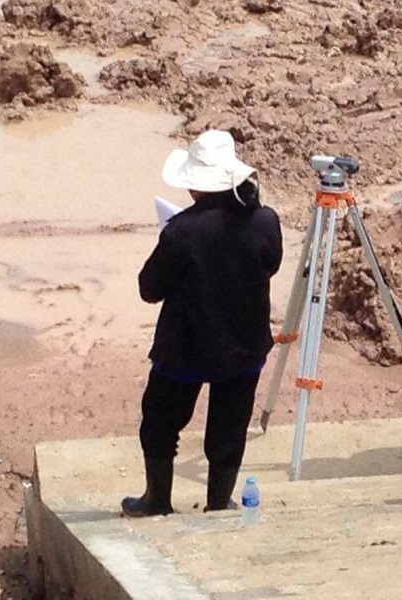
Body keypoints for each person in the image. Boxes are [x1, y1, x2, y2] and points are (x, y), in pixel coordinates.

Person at [122, 129, 283, 517]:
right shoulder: (265, 221)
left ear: (196, 185)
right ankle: (218, 503)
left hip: (186, 347)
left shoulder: (182, 230)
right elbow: (272, 263)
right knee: (230, 430)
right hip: (243, 345)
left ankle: (157, 500)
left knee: (160, 423)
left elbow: (149, 288)